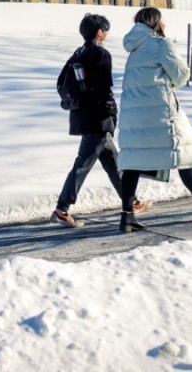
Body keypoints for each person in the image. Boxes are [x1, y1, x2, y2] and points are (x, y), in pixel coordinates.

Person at [118, 7, 192, 232]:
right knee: (182, 153)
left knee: (133, 161)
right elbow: (181, 75)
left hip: (134, 116)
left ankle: (126, 217)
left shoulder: (134, 48)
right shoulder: (161, 44)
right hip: (161, 113)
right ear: (156, 22)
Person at [52, 13, 150, 228]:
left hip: (83, 116)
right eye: (106, 29)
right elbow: (105, 88)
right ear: (99, 32)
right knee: (83, 164)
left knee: (113, 162)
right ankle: (62, 208)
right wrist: (111, 113)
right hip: (97, 119)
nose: (107, 33)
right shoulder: (100, 54)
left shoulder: (79, 53)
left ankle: (131, 202)